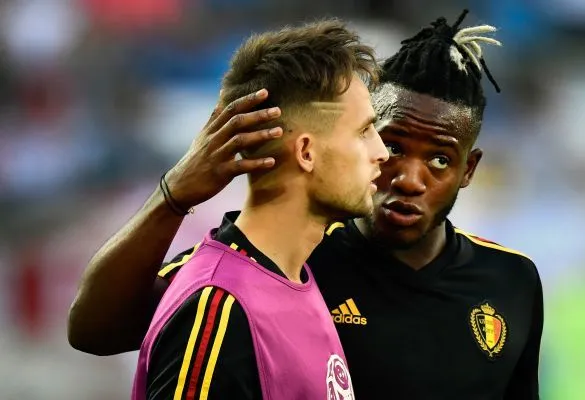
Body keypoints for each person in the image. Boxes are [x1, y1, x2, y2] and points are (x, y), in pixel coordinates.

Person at [68, 11, 543, 400]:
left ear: (469, 169)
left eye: (439, 159)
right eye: (388, 142)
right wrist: (172, 195)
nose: (404, 176)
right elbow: (97, 330)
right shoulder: (277, 265)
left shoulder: (511, 281)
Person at [127, 19, 388, 399]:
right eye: (363, 131)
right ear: (306, 152)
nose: (381, 152)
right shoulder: (219, 305)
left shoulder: (298, 278)